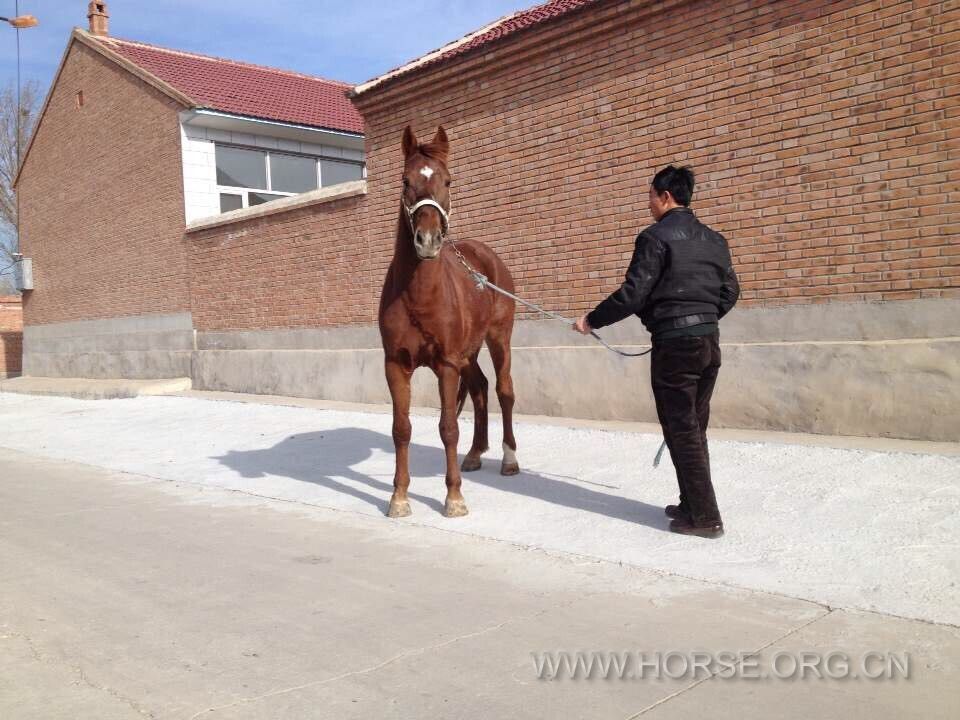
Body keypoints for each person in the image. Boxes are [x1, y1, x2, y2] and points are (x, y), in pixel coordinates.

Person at [574, 165, 739, 539]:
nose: (648, 203)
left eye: (650, 195)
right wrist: (704, 319)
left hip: (675, 347)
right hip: (709, 344)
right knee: (694, 428)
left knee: (682, 430)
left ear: (665, 197)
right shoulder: (715, 240)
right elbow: (730, 292)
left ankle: (706, 518)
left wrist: (591, 320)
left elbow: (633, 294)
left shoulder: (654, 237)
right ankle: (691, 503)